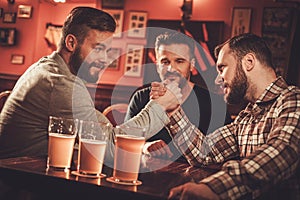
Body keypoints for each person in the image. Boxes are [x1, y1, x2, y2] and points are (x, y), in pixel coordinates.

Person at [0, 7, 180, 162]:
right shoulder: (62, 84)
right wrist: (160, 106)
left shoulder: (49, 68)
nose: (105, 59)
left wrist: (136, 143)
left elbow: (96, 127)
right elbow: (107, 150)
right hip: (18, 184)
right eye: (98, 48)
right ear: (71, 42)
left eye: (108, 51)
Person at [150, 33, 299, 199]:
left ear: (248, 62)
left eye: (222, 68)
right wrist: (173, 110)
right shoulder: (247, 117)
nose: (217, 80)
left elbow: (282, 153)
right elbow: (203, 152)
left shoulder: (293, 100)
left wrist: (213, 188)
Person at [125, 31, 232, 161]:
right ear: (157, 65)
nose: (171, 68)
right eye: (165, 62)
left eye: (179, 61)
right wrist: (144, 146)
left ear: (192, 64)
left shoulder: (214, 104)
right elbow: (124, 141)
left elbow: (221, 154)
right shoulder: (141, 97)